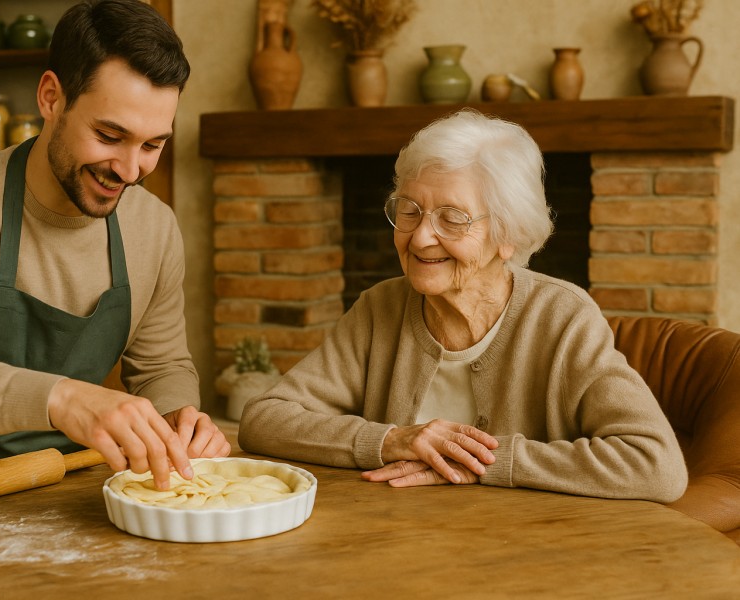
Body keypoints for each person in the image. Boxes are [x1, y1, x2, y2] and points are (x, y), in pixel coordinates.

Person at [0, 0, 230, 495]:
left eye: (152, 145)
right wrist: (61, 399)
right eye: (110, 135)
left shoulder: (153, 227)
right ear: (51, 98)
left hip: (66, 497)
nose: (131, 170)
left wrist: (178, 419)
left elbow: (161, 367)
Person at [239, 109, 688, 502]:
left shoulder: (562, 317)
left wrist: (483, 462)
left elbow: (655, 465)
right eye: (410, 210)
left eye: (452, 218)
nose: (419, 237)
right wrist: (392, 440)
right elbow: (264, 420)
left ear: (507, 234)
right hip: (390, 544)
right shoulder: (381, 308)